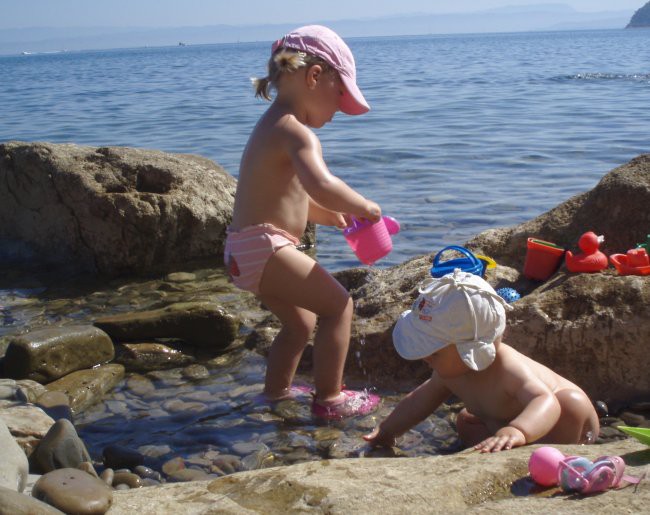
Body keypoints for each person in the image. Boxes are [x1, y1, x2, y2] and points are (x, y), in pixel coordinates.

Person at [224, 25, 381, 419]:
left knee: (301, 323)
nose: (338, 111)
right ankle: (330, 399)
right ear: (314, 77)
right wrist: (366, 207)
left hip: (243, 250)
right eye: (339, 96)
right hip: (266, 247)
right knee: (338, 307)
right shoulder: (296, 133)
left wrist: (335, 217)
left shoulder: (271, 125)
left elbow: (295, 197)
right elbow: (321, 183)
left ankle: (275, 393)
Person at [364, 269, 600, 451]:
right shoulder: (448, 372)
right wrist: (387, 430)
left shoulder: (508, 368)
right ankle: (503, 447)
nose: (425, 357)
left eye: (434, 351)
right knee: (466, 422)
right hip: (503, 421)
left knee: (571, 403)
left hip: (559, 423)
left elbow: (545, 400)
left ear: (471, 349)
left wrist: (518, 430)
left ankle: (552, 455)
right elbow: (418, 401)